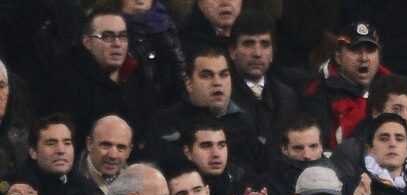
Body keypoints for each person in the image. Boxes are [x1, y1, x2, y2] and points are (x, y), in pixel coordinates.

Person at [48, 8, 160, 142]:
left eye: (123, 36)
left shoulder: (140, 80)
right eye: (107, 36)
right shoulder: (66, 83)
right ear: (87, 42)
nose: (117, 44)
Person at [144, 46, 261, 174]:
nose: (217, 82)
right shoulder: (164, 122)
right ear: (189, 84)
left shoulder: (245, 122)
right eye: (206, 76)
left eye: (223, 75)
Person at [301, 22, 386, 149]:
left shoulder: (395, 89)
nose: (363, 58)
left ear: (379, 57)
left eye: (370, 50)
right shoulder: (319, 93)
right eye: (355, 50)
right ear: (338, 57)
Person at [10, 114, 101, 195]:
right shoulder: (15, 185)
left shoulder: (80, 182)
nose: (61, 150)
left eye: (67, 143)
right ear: (33, 152)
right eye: (51, 143)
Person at [227, 10, 298, 148]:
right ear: (232, 51)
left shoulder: (287, 97)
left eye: (265, 44)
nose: (257, 53)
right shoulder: (221, 95)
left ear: (272, 53)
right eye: (248, 43)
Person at [79, 116, 133, 195]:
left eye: (121, 148)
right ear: (90, 144)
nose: (113, 155)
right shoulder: (71, 182)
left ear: (128, 152)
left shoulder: (137, 187)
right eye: (106, 145)